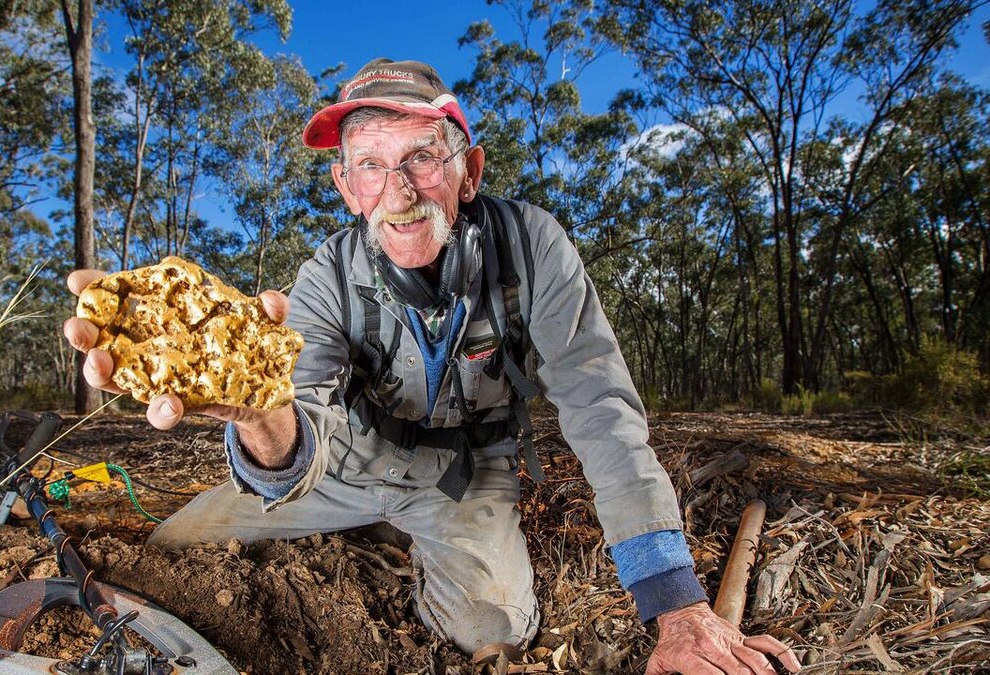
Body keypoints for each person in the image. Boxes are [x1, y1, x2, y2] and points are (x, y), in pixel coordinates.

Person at [64, 58, 802, 675]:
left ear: (469, 171)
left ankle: (417, 537)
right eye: (371, 166)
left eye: (422, 156)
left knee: (498, 626)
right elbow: (304, 418)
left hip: (467, 469)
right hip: (347, 457)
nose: (401, 190)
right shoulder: (325, 277)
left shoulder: (531, 247)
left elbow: (600, 406)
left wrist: (676, 606)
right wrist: (259, 414)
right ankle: (369, 522)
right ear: (347, 188)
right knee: (166, 557)